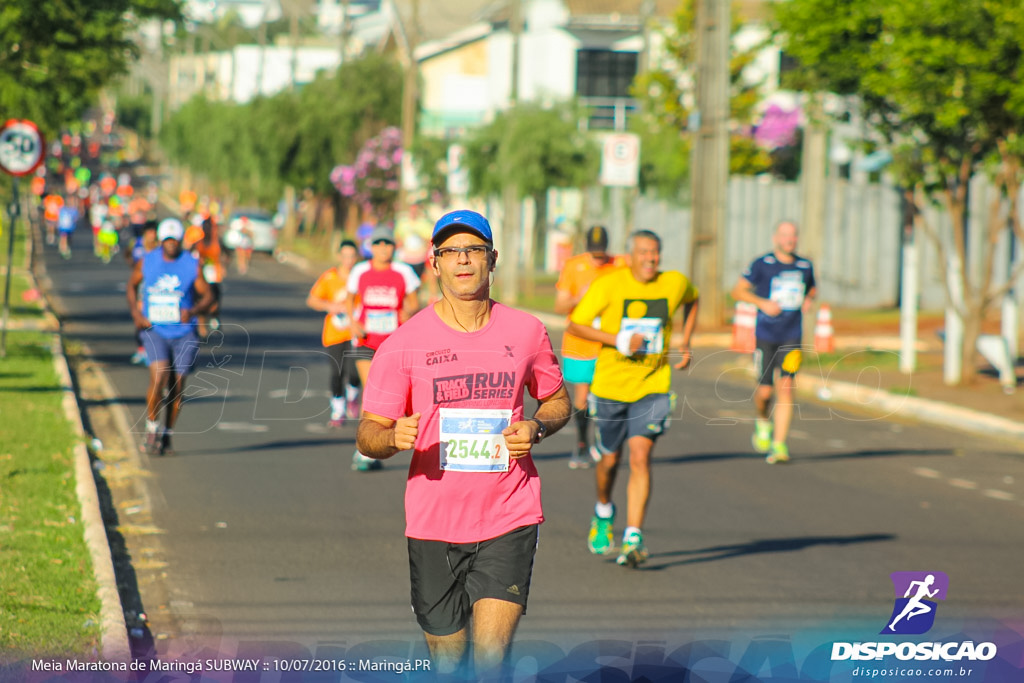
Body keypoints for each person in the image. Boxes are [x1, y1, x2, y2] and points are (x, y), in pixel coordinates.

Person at [356, 209, 571, 677]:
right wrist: (393, 437)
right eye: (451, 252)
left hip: (509, 514)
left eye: (473, 250)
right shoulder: (403, 344)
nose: (463, 260)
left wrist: (537, 427)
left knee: (491, 661)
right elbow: (368, 435)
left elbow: (557, 401)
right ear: (435, 265)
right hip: (434, 523)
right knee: (450, 662)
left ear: (492, 259)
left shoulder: (527, 331)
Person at [566, 229, 699, 568]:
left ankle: (633, 536)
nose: (650, 259)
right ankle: (603, 512)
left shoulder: (674, 283)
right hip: (610, 387)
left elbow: (692, 299)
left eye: (654, 252)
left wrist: (685, 340)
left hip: (652, 385)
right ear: (630, 255)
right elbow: (576, 324)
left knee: (640, 457)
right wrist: (618, 339)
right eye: (643, 252)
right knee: (609, 461)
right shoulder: (610, 284)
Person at [126, 218, 214, 456]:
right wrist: (136, 313)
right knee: (159, 376)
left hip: (184, 332)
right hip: (156, 330)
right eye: (167, 240)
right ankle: (152, 427)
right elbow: (131, 286)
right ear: (161, 241)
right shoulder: (148, 261)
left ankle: (167, 433)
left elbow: (208, 296)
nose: (171, 244)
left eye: (175, 240)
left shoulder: (191, 264)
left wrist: (193, 311)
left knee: (177, 387)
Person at [730, 220, 816, 464]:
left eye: (794, 235)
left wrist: (808, 299)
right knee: (765, 391)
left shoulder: (804, 265)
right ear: (775, 238)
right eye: (785, 235)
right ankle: (762, 420)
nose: (790, 239)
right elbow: (737, 291)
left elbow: (811, 289)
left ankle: (779, 445)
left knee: (787, 387)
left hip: (792, 336)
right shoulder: (762, 264)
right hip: (766, 335)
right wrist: (762, 303)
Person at [346, 225, 421, 470]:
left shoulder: (403, 272)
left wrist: (406, 312)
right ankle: (365, 450)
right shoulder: (360, 270)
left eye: (387, 244)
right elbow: (348, 300)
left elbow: (413, 302)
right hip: (366, 340)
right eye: (377, 244)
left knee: (393, 397)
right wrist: (353, 322)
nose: (382, 249)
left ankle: (379, 444)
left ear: (393, 247)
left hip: (393, 343)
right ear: (371, 247)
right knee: (372, 390)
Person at [554, 225, 627, 469]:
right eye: (594, 253)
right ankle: (582, 445)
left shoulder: (620, 265)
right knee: (582, 397)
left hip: (609, 343)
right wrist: (580, 297)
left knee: (611, 397)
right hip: (580, 343)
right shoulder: (574, 266)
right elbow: (559, 306)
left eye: (601, 253)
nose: (598, 258)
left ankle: (605, 442)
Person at [306, 239, 362, 427]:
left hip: (357, 332)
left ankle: (353, 396)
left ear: (357, 257)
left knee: (355, 372)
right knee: (337, 372)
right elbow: (312, 300)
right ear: (339, 256)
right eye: (345, 256)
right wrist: (330, 305)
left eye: (352, 256)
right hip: (335, 333)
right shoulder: (330, 277)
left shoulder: (361, 276)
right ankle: (338, 410)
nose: (348, 260)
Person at [128, 220, 160, 365]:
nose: (152, 235)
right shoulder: (137, 244)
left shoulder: (160, 247)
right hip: (142, 285)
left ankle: (155, 348)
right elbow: (128, 254)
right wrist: (134, 269)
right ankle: (141, 348)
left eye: (154, 232)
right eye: (149, 232)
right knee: (141, 317)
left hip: (156, 285)